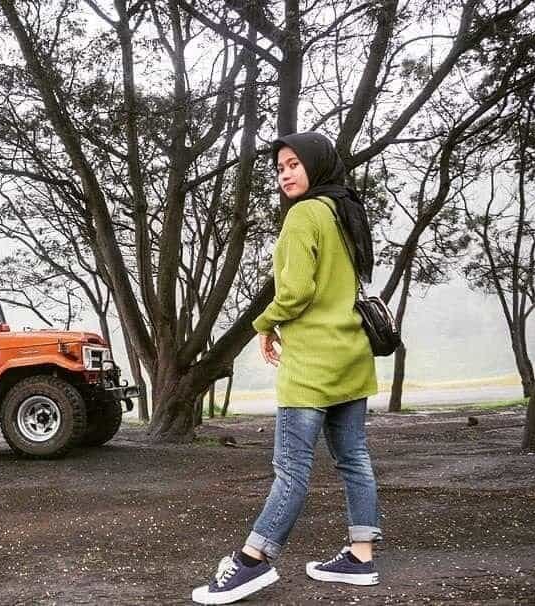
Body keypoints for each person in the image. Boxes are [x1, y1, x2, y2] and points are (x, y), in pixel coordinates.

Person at [191, 132, 381, 605]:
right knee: (353, 460)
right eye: (281, 168)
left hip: (312, 366)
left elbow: (294, 292)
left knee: (292, 470)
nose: (286, 174)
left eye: (295, 163)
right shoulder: (345, 211)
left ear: (316, 165)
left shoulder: (303, 215)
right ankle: (361, 556)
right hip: (351, 358)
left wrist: (262, 325)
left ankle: (252, 562)